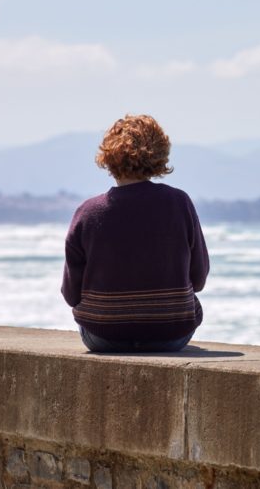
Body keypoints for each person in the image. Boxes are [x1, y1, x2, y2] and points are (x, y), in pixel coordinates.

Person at [61, 114, 209, 353]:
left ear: (108, 157)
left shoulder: (87, 212)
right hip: (171, 335)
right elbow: (199, 279)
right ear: (160, 154)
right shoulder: (179, 203)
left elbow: (71, 294)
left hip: (102, 336)